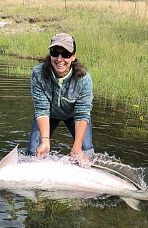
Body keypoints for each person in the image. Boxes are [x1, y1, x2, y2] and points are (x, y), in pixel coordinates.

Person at [27, 33, 94, 167]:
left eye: (65, 54)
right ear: (50, 54)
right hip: (48, 114)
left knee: (85, 153)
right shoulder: (38, 74)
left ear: (73, 56)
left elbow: (82, 113)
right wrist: (45, 141)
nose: (59, 59)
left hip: (74, 116)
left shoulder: (84, 80)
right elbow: (41, 109)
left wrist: (76, 147)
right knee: (34, 153)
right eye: (55, 53)